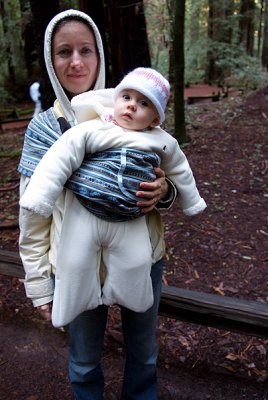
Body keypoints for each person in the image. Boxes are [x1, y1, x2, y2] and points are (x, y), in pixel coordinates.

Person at [17, 9, 180, 400]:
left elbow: (168, 171)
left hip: (142, 256)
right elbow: (32, 213)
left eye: (85, 50)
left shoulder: (136, 107)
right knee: (85, 361)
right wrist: (40, 283)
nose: (76, 62)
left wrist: (166, 192)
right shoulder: (44, 129)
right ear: (49, 59)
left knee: (143, 356)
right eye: (63, 51)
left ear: (100, 55)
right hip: (75, 263)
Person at [20, 67, 207, 328]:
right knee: (74, 261)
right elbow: (59, 158)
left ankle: (132, 297)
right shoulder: (93, 129)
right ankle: (70, 305)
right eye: (127, 98)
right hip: (83, 217)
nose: (131, 107)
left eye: (143, 103)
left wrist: (187, 199)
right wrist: (40, 197)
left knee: (136, 260)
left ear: (155, 119)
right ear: (116, 98)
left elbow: (180, 169)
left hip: (132, 221)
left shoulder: (161, 140)